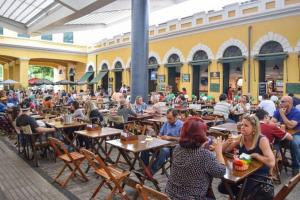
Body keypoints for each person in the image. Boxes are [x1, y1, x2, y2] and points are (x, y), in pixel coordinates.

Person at [166, 117, 225, 199]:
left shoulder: (177, 148)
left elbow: (192, 159)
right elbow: (221, 172)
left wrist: (201, 146)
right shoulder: (204, 155)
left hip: (170, 195)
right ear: (202, 134)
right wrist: (219, 152)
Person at [219, 114, 275, 199]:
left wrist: (256, 155)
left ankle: (245, 195)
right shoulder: (241, 137)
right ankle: (246, 195)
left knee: (243, 194)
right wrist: (228, 142)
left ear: (254, 128)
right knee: (222, 187)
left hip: (258, 174)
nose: (242, 127)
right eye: (242, 124)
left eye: (246, 125)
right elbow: (224, 151)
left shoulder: (262, 140)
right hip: (242, 171)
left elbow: (271, 163)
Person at [141, 109, 183, 176]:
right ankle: (144, 167)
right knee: (146, 145)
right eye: (167, 118)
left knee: (164, 151)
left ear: (176, 117)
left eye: (170, 118)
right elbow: (160, 133)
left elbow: (182, 139)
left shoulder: (181, 125)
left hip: (172, 146)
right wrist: (158, 137)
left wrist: (170, 138)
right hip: (161, 143)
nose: (168, 120)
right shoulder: (166, 123)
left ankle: (150, 172)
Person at [272, 96, 300, 175]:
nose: (280, 103)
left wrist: (282, 115)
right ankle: (276, 164)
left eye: (283, 101)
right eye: (280, 101)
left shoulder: (296, 112)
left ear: (289, 103)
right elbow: (272, 121)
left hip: (296, 133)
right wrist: (276, 122)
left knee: (294, 144)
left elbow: (291, 126)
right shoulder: (279, 111)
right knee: (272, 141)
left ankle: (296, 168)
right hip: (282, 134)